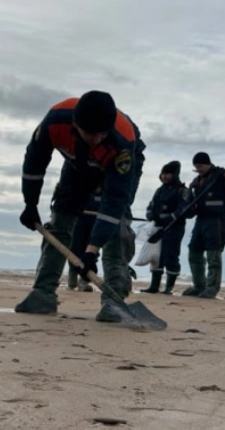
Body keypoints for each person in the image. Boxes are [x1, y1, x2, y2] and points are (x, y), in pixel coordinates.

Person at [15, 91, 145, 322]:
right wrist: (30, 203)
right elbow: (35, 162)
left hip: (114, 164)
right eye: (90, 134)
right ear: (75, 124)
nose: (96, 139)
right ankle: (43, 294)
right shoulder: (55, 122)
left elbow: (114, 202)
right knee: (60, 220)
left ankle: (114, 300)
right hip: (77, 164)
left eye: (101, 134)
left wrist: (91, 251)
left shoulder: (122, 141)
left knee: (118, 226)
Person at [182, 153, 225, 299]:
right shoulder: (196, 182)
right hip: (201, 220)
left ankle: (212, 288)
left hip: (218, 219)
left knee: (213, 254)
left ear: (207, 164)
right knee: (194, 252)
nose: (198, 169)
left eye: (200, 166)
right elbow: (189, 204)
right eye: (196, 167)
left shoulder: (221, 176)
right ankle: (199, 285)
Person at [142, 161, 189, 294]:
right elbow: (151, 206)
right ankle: (154, 286)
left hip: (174, 227)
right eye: (163, 174)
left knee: (171, 255)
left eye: (168, 174)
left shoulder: (182, 190)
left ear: (175, 175)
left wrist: (170, 217)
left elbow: (183, 208)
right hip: (157, 227)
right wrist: (150, 214)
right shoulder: (159, 190)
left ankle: (169, 287)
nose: (165, 176)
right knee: (156, 256)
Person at [67, 186, 101, 292]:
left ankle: (83, 281)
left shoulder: (106, 191)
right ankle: (72, 279)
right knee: (74, 249)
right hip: (79, 221)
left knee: (91, 254)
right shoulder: (82, 186)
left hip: (96, 223)